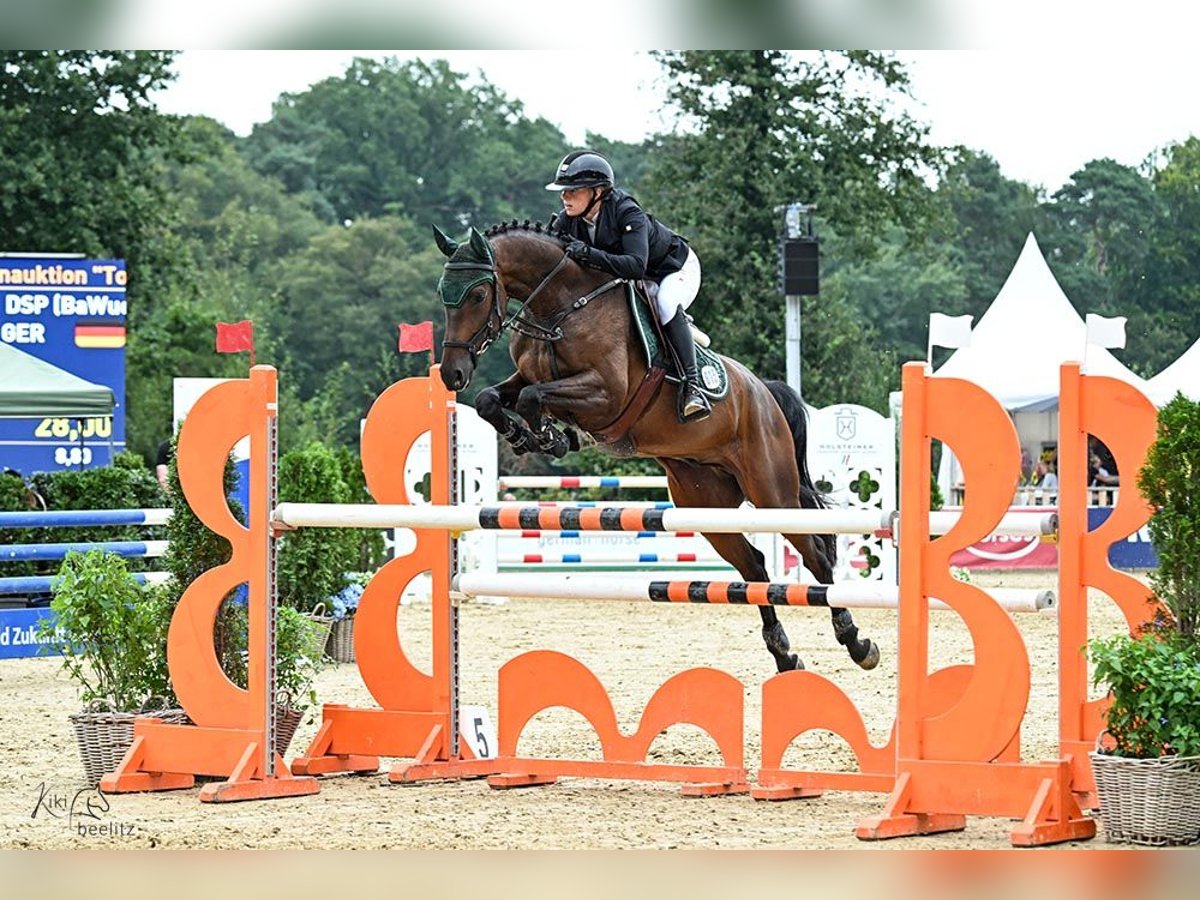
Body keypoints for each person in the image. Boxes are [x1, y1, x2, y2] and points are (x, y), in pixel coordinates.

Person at [546, 150, 711, 423]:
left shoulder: (626, 212)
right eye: (563, 191)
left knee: (666, 303)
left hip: (673, 270)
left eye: (573, 191)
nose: (565, 197)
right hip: (636, 277)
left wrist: (588, 253)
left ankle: (692, 387)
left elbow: (635, 265)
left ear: (598, 192)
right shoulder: (568, 219)